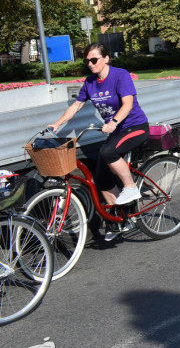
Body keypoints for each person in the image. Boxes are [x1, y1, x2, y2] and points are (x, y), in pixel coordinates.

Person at [49, 43, 150, 224]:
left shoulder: (120, 75)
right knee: (101, 177)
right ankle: (121, 219)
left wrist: (113, 122)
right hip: (116, 131)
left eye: (94, 59)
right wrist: (57, 123)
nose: (90, 63)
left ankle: (130, 187)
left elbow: (128, 104)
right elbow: (76, 106)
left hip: (135, 127)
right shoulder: (90, 82)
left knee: (107, 152)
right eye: (87, 60)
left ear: (106, 58)